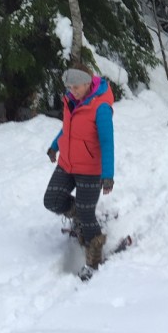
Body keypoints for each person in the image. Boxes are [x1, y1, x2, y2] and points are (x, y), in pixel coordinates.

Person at [43, 62, 115, 272]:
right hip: (67, 163)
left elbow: (107, 142)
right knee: (52, 200)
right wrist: (55, 146)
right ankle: (82, 219)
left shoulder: (100, 107)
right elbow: (68, 128)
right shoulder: (71, 101)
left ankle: (94, 260)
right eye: (69, 87)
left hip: (90, 169)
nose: (72, 91)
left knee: (86, 212)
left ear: (87, 83)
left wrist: (108, 175)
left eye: (76, 87)